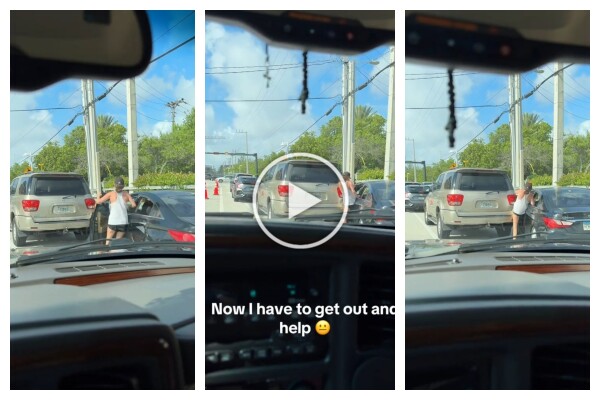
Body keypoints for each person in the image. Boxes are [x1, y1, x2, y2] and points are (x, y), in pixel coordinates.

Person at [96, 177, 136, 245]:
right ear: (123, 186)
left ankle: (108, 253)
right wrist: (127, 206)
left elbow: (98, 202)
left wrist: (98, 196)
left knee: (108, 242)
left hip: (113, 221)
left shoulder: (111, 194)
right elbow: (134, 205)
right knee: (117, 243)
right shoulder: (126, 194)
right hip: (123, 222)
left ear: (114, 185)